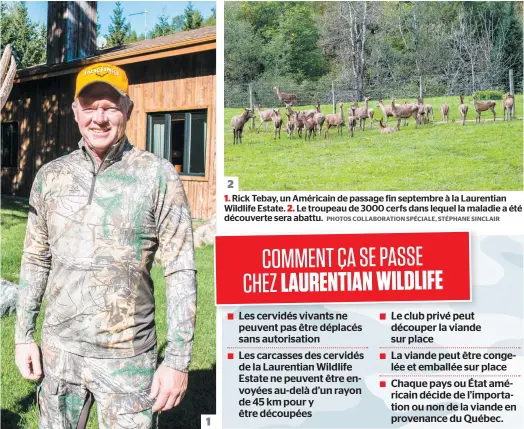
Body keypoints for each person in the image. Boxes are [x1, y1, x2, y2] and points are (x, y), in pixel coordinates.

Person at [14, 62, 197, 428]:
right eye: (90, 106)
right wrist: (23, 336)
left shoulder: (157, 175)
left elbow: (180, 268)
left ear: (127, 109)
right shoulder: (51, 176)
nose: (100, 117)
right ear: (76, 112)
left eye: (110, 106)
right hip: (59, 354)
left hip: (127, 360)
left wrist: (177, 359)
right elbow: (35, 259)